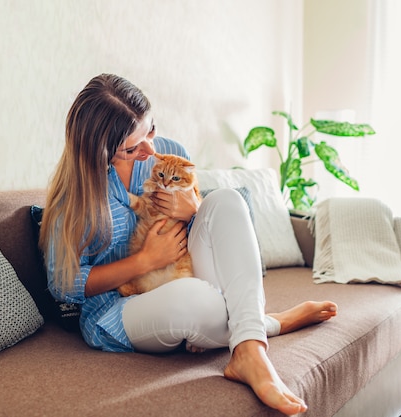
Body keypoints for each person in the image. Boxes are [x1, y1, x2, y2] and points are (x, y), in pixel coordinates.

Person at [39, 73, 338, 416]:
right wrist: (145, 261)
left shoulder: (171, 155)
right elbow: (64, 286)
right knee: (197, 301)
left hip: (184, 271)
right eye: (133, 148)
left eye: (150, 130)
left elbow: (212, 234)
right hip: (121, 308)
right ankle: (271, 322)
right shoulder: (74, 200)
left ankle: (250, 351)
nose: (152, 149)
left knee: (225, 200)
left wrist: (193, 210)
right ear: (100, 152)